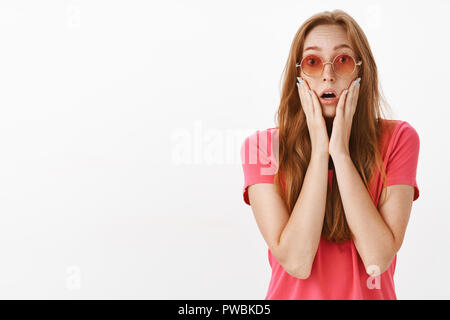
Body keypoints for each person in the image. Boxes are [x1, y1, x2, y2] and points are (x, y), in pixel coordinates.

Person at [240, 9, 420, 300]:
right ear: (298, 74)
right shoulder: (260, 148)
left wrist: (340, 153)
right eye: (312, 62)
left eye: (343, 60)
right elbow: (297, 262)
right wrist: (320, 153)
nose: (327, 75)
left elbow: (377, 259)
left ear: (361, 71)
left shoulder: (398, 139)